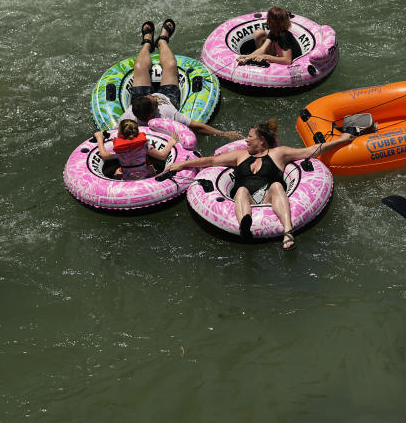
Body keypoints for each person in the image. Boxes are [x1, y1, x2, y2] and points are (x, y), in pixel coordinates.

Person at [164, 118, 351, 250]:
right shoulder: (240, 155)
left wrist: (341, 140)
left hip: (269, 196)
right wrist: (182, 164)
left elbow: (310, 151)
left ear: (261, 140)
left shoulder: (279, 153)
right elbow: (211, 161)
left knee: (277, 186)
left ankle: (288, 231)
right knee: (242, 190)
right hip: (247, 198)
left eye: (249, 136)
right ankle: (245, 225)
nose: (246, 139)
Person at [116, 19, 242, 140]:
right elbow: (197, 127)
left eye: (151, 97)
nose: (153, 96)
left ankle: (150, 42)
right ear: (152, 114)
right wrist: (224, 133)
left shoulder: (128, 115)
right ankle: (162, 40)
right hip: (167, 96)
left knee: (139, 67)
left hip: (140, 99)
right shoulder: (166, 112)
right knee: (170, 65)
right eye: (156, 103)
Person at [93, 118, 177, 180]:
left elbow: (104, 155)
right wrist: (170, 143)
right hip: (145, 177)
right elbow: (162, 156)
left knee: (117, 171)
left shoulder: (119, 149)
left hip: (127, 178)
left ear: (120, 134)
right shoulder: (145, 145)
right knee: (150, 165)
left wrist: (100, 139)